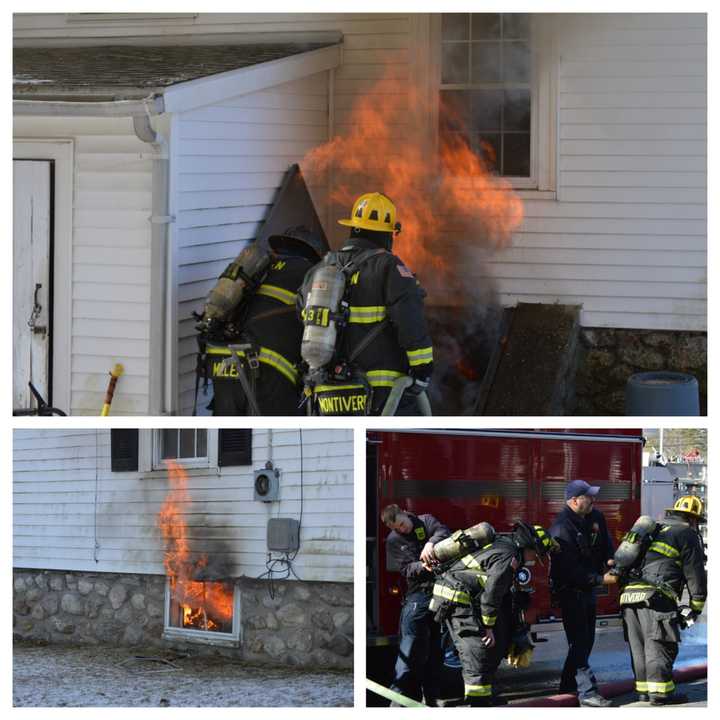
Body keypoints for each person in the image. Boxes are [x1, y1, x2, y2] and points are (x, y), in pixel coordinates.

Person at [298, 192, 433, 415]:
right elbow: (410, 318)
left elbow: (302, 313)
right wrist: (423, 368)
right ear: (388, 234)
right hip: (380, 394)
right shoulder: (389, 267)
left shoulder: (320, 270)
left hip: (327, 393)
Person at [431, 522, 559, 706]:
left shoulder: (504, 544)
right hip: (458, 600)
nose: (532, 559)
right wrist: (488, 627)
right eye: (535, 554)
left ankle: (486, 696)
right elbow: (492, 593)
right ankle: (478, 703)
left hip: (465, 598)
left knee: (492, 647)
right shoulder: (509, 557)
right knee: (477, 652)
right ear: (527, 547)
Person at [204, 226, 327, 415]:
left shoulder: (259, 269)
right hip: (267, 369)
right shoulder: (311, 274)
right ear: (314, 253)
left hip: (223, 362)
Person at [619, 496, 707, 705]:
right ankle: (659, 694)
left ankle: (643, 692)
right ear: (693, 519)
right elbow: (695, 573)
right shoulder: (687, 533)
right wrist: (696, 606)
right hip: (656, 598)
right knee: (659, 645)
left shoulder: (655, 529)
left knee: (638, 647)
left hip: (629, 596)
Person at [549, 480, 617, 707]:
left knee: (586, 641)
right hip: (571, 591)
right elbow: (569, 571)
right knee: (579, 641)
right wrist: (601, 579)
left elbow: (606, 542)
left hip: (588, 590)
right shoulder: (561, 528)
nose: (594, 500)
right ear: (574, 501)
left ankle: (567, 686)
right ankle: (588, 692)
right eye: (589, 497)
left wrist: (610, 559)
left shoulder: (596, 516)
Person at [382, 504, 450, 705]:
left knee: (437, 651)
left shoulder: (426, 520)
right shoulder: (394, 541)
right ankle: (397, 702)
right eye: (397, 528)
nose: (402, 530)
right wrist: (423, 566)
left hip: (440, 593)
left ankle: (432, 698)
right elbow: (406, 569)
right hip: (417, 596)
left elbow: (444, 531)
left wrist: (431, 543)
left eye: (402, 524)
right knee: (409, 650)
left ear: (405, 513)